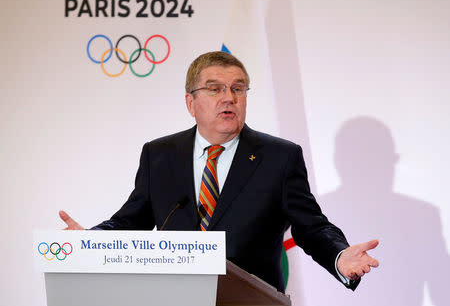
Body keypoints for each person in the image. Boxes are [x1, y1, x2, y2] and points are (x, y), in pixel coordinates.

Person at [60, 51, 379, 293]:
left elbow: (311, 227)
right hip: (175, 296)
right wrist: (89, 243)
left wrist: (339, 256)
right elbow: (131, 221)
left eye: (238, 88)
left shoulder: (280, 157)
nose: (229, 97)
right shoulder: (159, 155)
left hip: (251, 299)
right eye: (214, 89)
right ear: (191, 102)